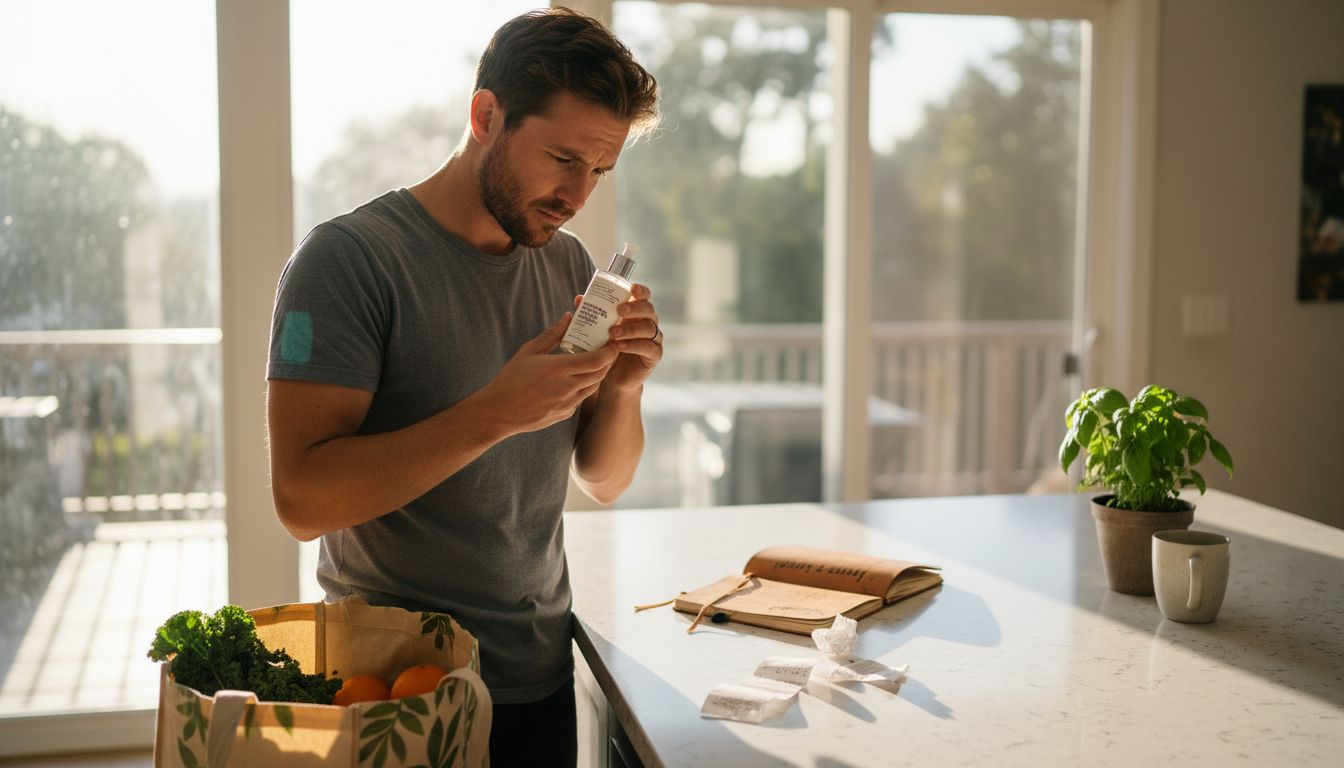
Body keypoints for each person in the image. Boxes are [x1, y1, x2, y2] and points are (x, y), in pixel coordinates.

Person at [264, 8, 660, 765]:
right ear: (486, 116)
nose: (578, 193)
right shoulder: (348, 262)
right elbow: (301, 501)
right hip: (396, 689)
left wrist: (627, 389)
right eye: (563, 159)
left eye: (599, 171)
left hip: (538, 673)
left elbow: (604, 480)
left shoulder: (571, 268)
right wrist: (494, 413)